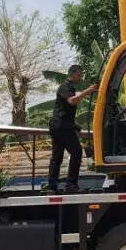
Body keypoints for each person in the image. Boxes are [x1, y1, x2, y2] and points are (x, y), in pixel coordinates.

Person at [47, 65, 97, 194]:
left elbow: (64, 109)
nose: (81, 77)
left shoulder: (71, 88)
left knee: (57, 156)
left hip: (59, 126)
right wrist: (88, 91)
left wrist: (74, 126)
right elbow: (71, 101)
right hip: (61, 127)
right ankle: (70, 185)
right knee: (76, 152)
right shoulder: (65, 87)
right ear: (72, 74)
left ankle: (52, 186)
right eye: (79, 74)